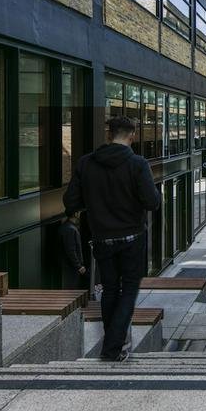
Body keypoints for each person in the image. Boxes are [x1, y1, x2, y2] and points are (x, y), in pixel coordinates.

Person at [63, 115, 161, 362]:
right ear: (133, 135)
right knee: (128, 289)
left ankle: (114, 346)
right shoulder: (138, 164)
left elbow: (71, 202)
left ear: (109, 134)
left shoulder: (86, 163)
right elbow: (152, 202)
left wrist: (96, 206)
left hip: (102, 239)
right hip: (132, 238)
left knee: (109, 290)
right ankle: (112, 347)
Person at [60, 212, 87, 290]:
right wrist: (78, 266)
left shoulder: (67, 227)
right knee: (71, 289)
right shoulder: (70, 229)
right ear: (76, 214)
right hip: (71, 266)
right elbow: (71, 250)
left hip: (69, 265)